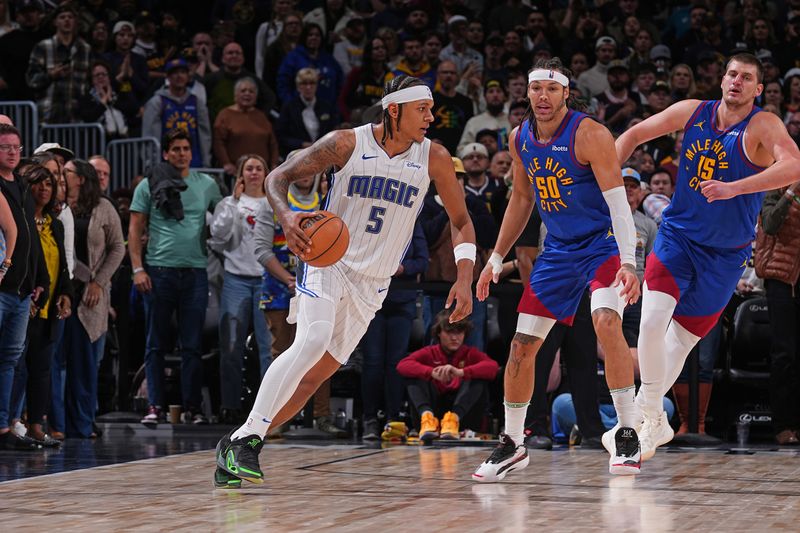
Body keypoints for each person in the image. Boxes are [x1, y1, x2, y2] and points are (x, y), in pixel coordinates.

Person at [214, 75, 476, 488]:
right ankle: (246, 438)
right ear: (394, 110)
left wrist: (465, 276)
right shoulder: (347, 143)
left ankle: (239, 442)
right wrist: (286, 216)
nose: (432, 116)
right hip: (328, 262)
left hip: (373, 282)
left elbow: (461, 222)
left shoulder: (434, 157)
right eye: (422, 109)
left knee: (314, 378)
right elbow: (276, 179)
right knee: (312, 340)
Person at [615, 52, 800, 461]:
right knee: (650, 321)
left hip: (725, 255)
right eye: (731, 73)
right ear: (722, 80)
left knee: (677, 347)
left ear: (758, 88)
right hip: (678, 238)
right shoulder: (692, 111)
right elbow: (634, 134)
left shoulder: (763, 124)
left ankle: (647, 423)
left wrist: (736, 188)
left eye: (746, 77)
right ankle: (643, 417)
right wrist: (606, 176)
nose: (736, 81)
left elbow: (795, 166)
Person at [472, 58, 641, 482]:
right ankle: (513, 443)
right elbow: (522, 201)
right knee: (521, 348)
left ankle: (627, 429)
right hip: (558, 253)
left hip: (600, 245)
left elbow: (619, 205)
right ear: (526, 93)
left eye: (551, 89)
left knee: (605, 322)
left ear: (566, 93)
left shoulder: (589, 134)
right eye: (536, 89)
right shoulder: (520, 138)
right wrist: (494, 258)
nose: (542, 96)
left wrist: (628, 262)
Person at [129, 130, 222, 426]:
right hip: (158, 270)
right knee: (155, 344)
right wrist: (137, 268)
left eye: (186, 149)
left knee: (192, 345)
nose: (182, 154)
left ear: (191, 153)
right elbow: (134, 229)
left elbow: (222, 219)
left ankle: (192, 408)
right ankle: (155, 405)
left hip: (196, 272)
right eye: (176, 149)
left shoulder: (206, 184)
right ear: (166, 154)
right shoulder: (148, 184)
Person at [61, 159, 124, 438]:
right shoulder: (57, 206)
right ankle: (58, 424)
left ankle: (82, 424)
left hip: (90, 296)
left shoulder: (103, 208)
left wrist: (98, 282)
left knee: (85, 365)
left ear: (81, 179)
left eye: (67, 173)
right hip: (61, 291)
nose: (62, 177)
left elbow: (117, 249)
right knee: (57, 364)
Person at [210, 154, 273, 424]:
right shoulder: (228, 203)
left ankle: (268, 409)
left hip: (266, 279)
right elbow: (218, 236)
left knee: (268, 348)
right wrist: (234, 204)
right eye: (249, 168)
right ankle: (231, 404)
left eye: (260, 168)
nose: (255, 172)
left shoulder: (273, 202)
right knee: (231, 345)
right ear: (240, 174)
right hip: (236, 278)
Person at [13, 164, 71, 446]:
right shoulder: (20, 222)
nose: (44, 188)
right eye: (38, 183)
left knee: (42, 370)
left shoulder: (55, 224)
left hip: (50, 309)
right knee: (18, 367)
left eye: (49, 183)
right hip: (28, 303)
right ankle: (12, 423)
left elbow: (62, 267)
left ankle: (36, 425)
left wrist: (66, 294)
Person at [0, 124, 48, 450]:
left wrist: (39, 280)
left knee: (10, 360)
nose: (13, 152)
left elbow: (31, 239)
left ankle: (3, 428)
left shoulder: (21, 186)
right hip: (3, 288)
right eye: (5, 147)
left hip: (20, 291)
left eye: (16, 147)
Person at [361, 221, 428, 441]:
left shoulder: (412, 224)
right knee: (372, 361)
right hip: (372, 300)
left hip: (403, 299)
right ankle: (369, 418)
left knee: (395, 363)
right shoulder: (373, 220)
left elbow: (422, 260)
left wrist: (403, 268)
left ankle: (393, 418)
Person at [397, 310, 499, 441]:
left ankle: (452, 420)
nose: (455, 337)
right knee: (414, 376)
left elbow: (493, 367)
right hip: (432, 412)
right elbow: (402, 365)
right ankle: (427, 419)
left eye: (459, 332)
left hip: (462, 417)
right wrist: (431, 372)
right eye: (449, 332)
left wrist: (461, 372)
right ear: (439, 333)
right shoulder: (429, 352)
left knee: (477, 377)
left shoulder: (470, 353)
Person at [756, 182, 800, 445]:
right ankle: (784, 425)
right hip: (782, 280)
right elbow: (770, 224)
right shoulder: (776, 188)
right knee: (785, 354)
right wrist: (791, 192)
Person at [25, 5, 91, 123]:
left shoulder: (85, 49)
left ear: (75, 22)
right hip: (48, 116)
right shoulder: (43, 47)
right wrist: (51, 75)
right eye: (62, 17)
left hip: (77, 118)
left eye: (70, 17)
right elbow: (31, 80)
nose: (67, 20)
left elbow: (90, 83)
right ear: (55, 22)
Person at [142, 58, 212, 168]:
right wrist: (152, 164)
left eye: (182, 72)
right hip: (165, 165)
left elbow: (205, 134)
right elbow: (149, 135)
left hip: (194, 163)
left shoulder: (196, 102)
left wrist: (206, 161)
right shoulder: (157, 102)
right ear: (168, 77)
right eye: (174, 73)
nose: (179, 76)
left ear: (188, 76)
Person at [213, 77, 280, 175]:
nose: (247, 94)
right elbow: (218, 142)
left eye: (251, 91)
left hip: (261, 173)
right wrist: (226, 163)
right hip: (235, 173)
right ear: (235, 94)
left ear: (256, 96)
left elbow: (273, 144)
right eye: (243, 91)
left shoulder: (261, 116)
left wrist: (274, 164)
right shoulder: (225, 115)